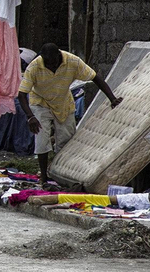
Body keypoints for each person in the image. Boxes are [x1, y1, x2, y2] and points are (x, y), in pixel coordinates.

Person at [19, 42, 123, 187]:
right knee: (42, 140)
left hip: (63, 102)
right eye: (48, 65)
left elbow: (95, 78)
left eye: (54, 64)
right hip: (40, 103)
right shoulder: (35, 66)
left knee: (65, 141)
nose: (51, 67)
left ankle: (60, 174)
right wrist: (30, 116)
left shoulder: (72, 61)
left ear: (59, 57)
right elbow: (22, 94)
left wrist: (112, 99)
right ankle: (44, 176)